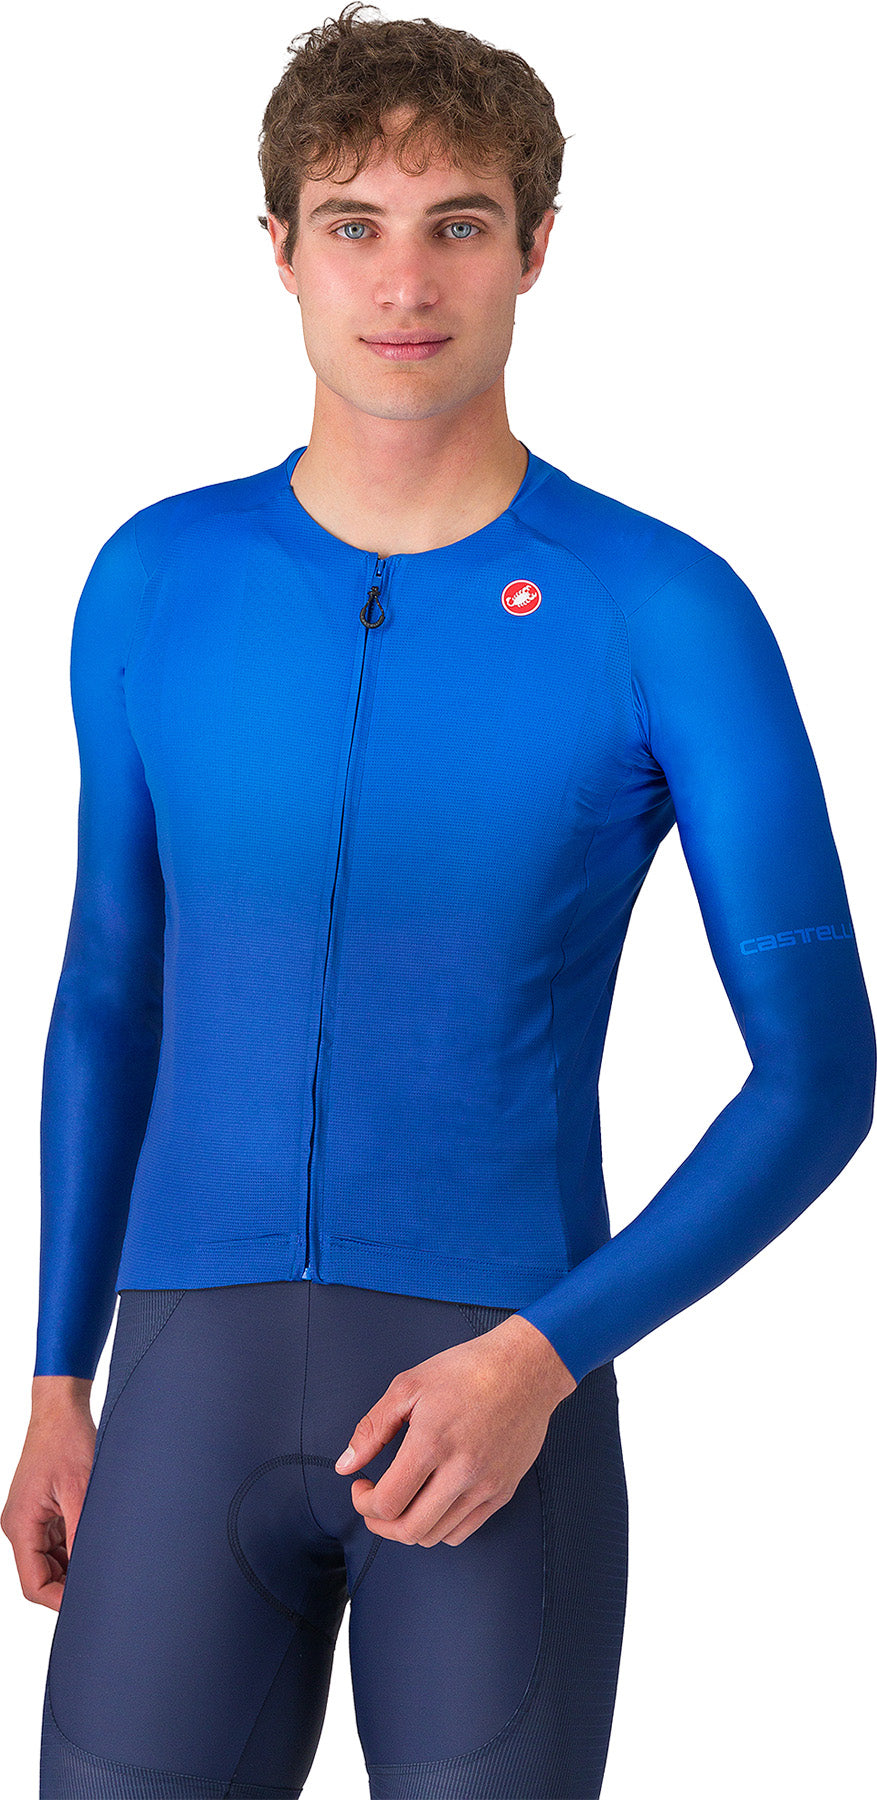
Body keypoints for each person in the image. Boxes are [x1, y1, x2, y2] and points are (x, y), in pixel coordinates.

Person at [3, 5, 874, 1797]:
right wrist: (58, 1380)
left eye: (458, 223)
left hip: (488, 1402)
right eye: (354, 223)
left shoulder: (661, 608)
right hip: (173, 1399)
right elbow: (110, 990)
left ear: (535, 246)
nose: (405, 283)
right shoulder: (155, 577)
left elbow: (817, 1071)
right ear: (278, 248)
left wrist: (542, 1358)